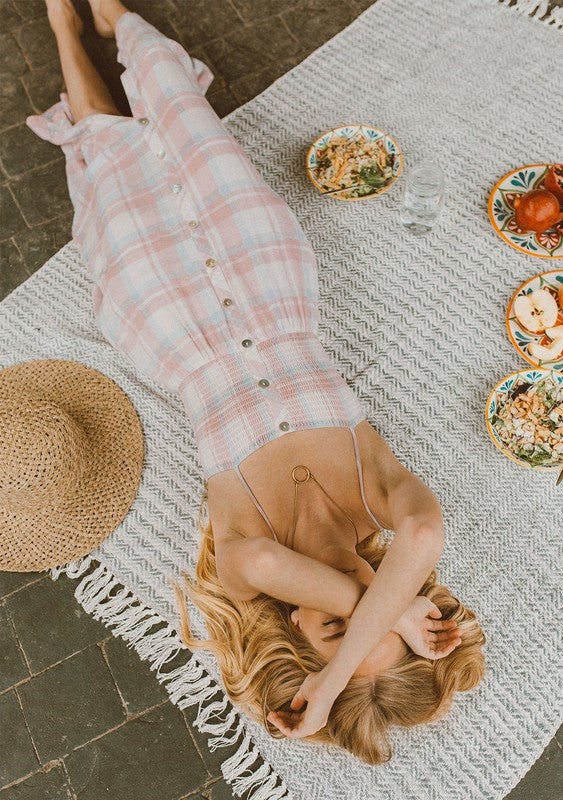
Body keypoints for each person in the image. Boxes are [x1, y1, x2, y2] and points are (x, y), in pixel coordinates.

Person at [30, 0, 486, 764]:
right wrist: (395, 608)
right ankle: (118, 20)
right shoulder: (381, 499)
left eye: (336, 626)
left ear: (298, 637)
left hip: (168, 323)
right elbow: (423, 536)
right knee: (186, 120)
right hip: (272, 284)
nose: (358, 604)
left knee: (111, 159)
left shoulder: (250, 560)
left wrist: (364, 646)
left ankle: (64, 32)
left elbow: (273, 571)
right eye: (374, 607)